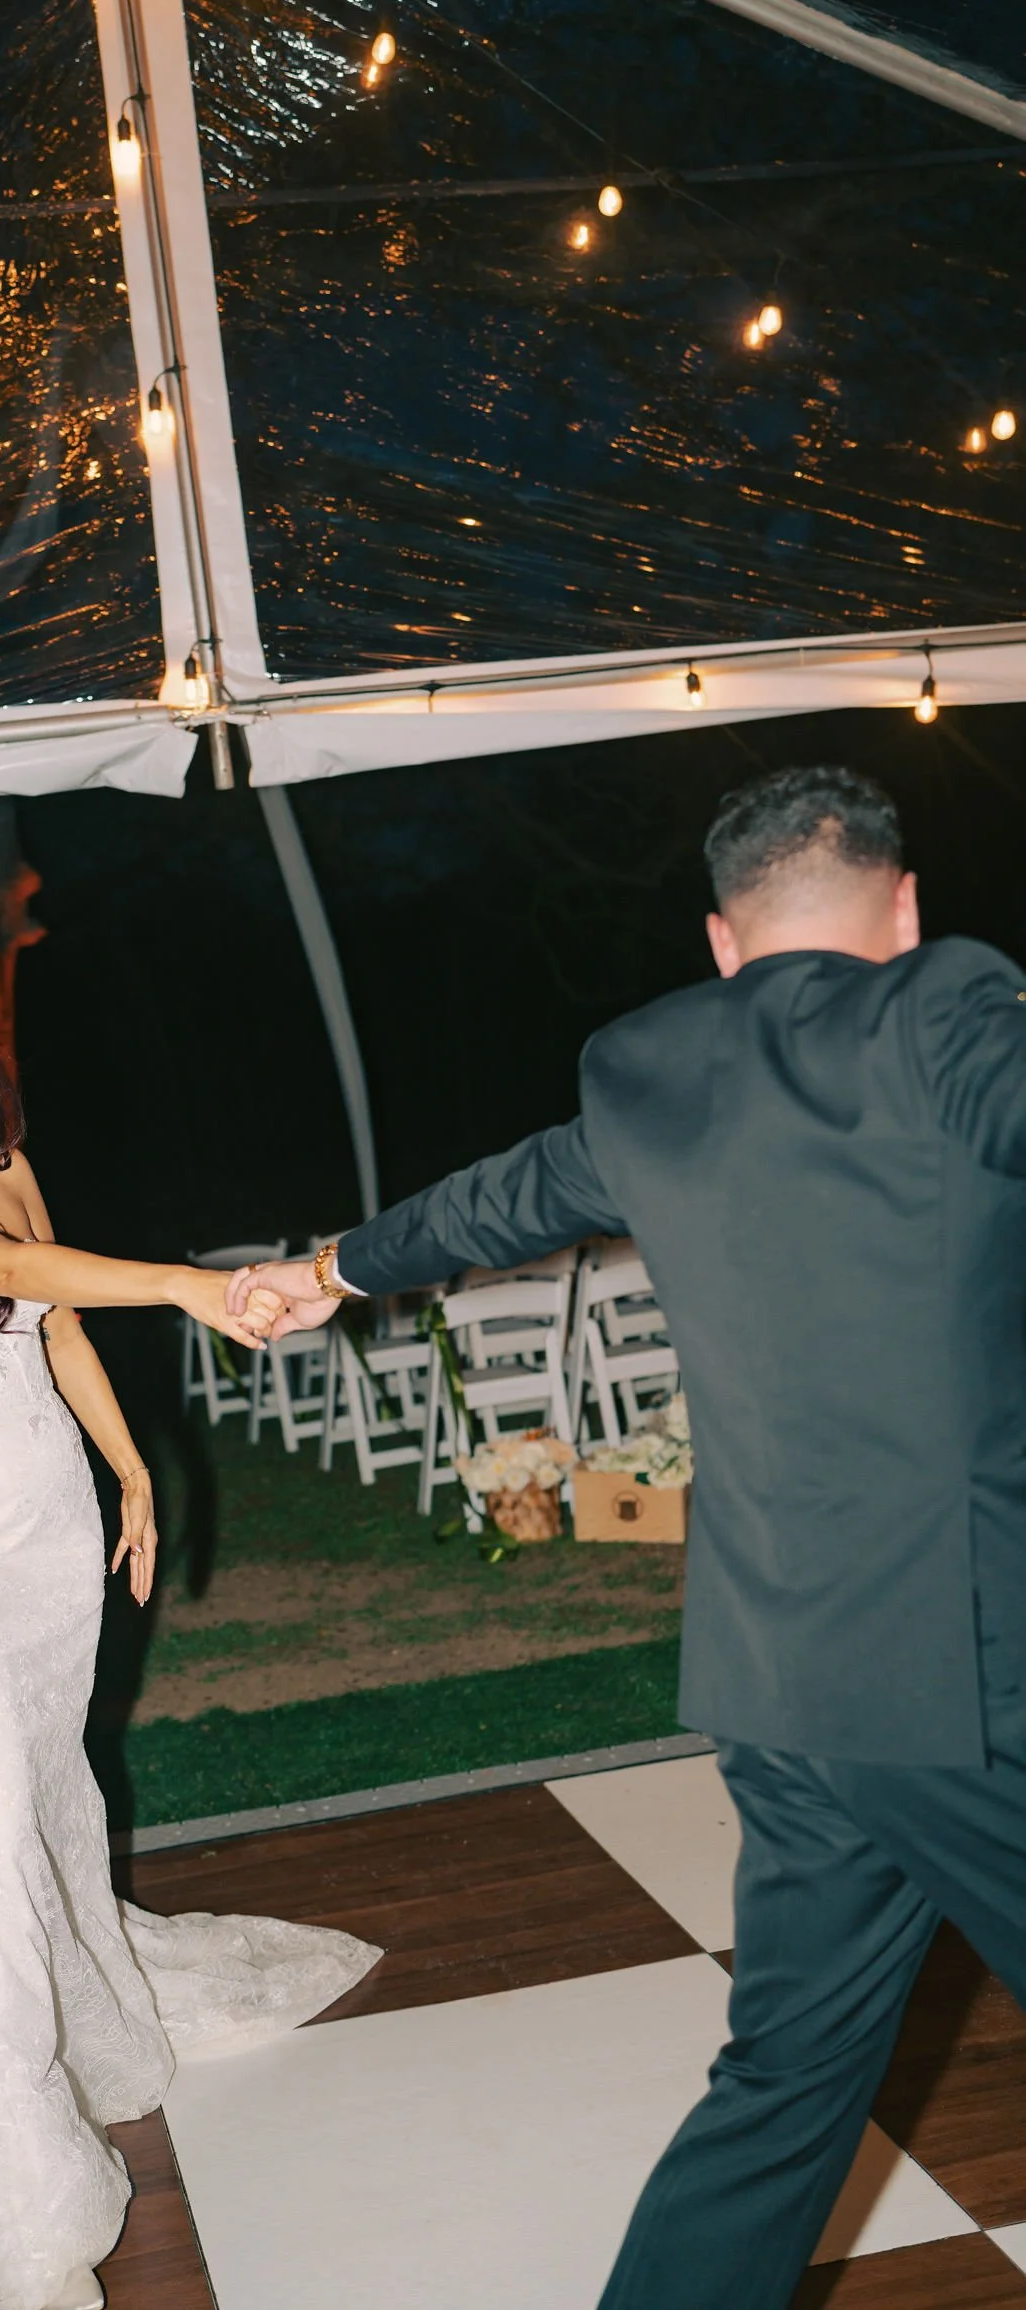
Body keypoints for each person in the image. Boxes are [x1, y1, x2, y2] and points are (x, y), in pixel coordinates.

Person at [229, 764, 1026, 2310]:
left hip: (777, 1684)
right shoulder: (946, 1011)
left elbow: (499, 1200)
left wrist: (326, 1269)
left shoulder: (648, 1068)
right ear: (905, 908)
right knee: (784, 2075)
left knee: (783, 2082)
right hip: (966, 1679)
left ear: (722, 940)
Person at [0, 959, 379, 2310]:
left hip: (46, 1527)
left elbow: (50, 1330)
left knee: (40, 1787)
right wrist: (187, 1285)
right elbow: (3, 1269)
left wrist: (131, 1468)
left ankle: (45, 2012)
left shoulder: (6, 1166)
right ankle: (11, 2181)